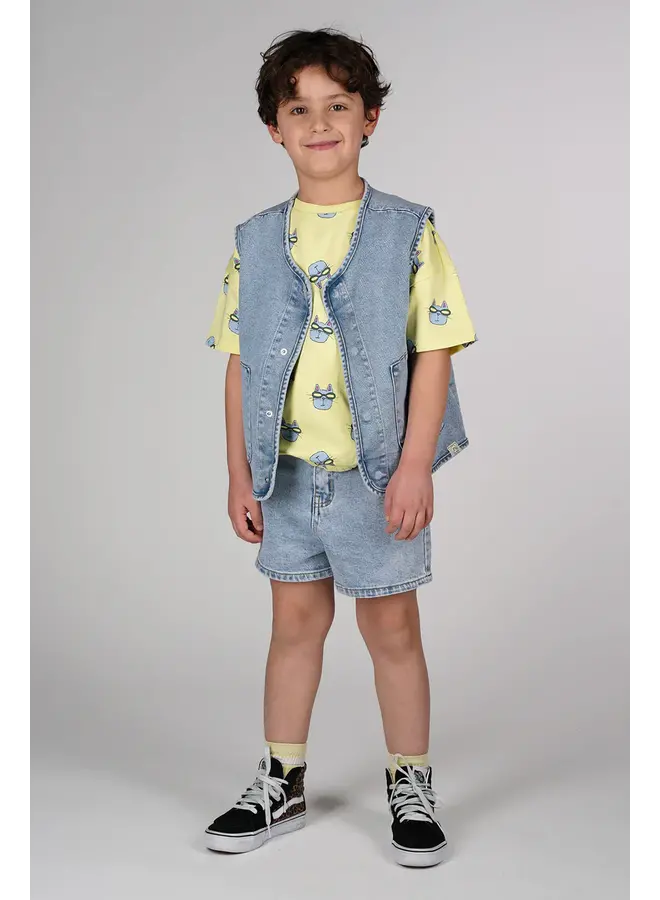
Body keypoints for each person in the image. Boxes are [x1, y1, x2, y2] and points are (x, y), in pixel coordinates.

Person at [204, 28, 476, 868]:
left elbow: (435, 349)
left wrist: (415, 465)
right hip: (286, 477)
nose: (319, 124)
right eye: (299, 110)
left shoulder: (407, 230)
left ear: (369, 120)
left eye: (337, 106)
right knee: (293, 625)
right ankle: (282, 778)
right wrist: (238, 473)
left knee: (391, 627)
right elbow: (241, 361)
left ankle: (411, 781)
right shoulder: (255, 239)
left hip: (375, 475)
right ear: (274, 129)